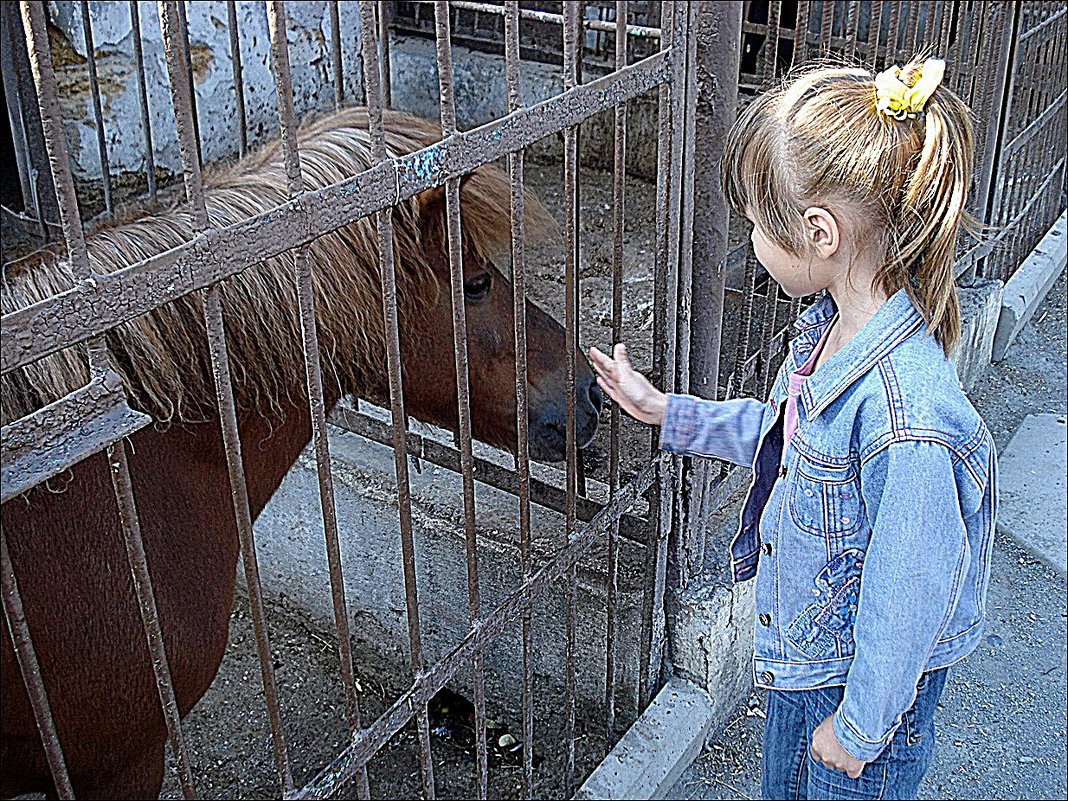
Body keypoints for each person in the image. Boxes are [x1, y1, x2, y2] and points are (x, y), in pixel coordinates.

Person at [590, 56, 997, 801]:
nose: (749, 238)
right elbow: (786, 441)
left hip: (857, 698)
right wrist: (664, 411)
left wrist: (859, 730)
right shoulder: (828, 333)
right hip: (808, 665)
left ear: (818, 232)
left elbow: (908, 593)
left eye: (753, 223)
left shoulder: (908, 420)